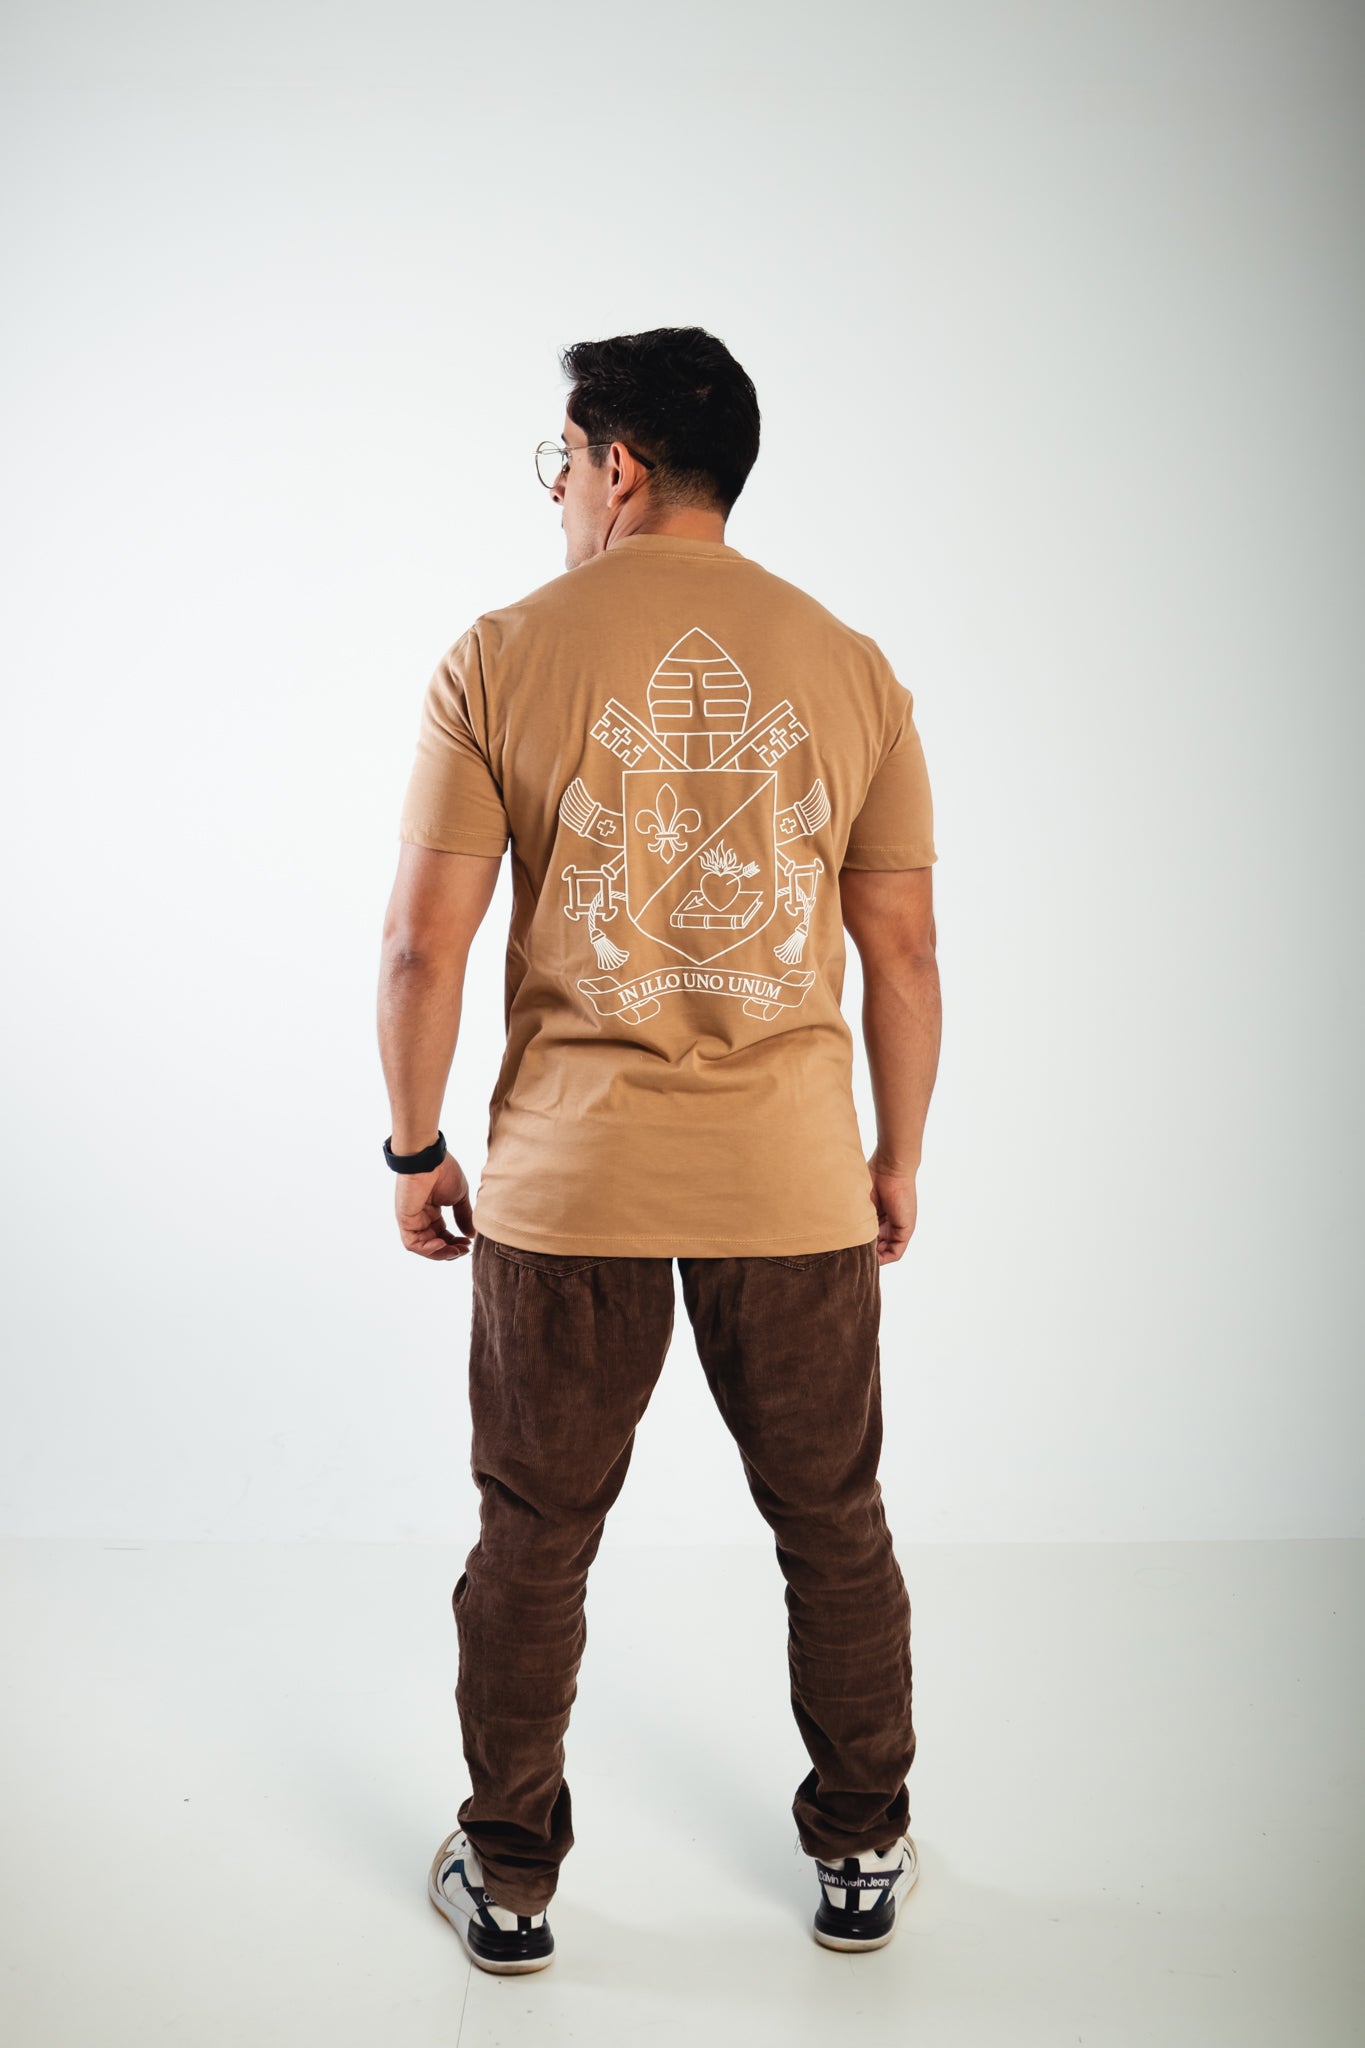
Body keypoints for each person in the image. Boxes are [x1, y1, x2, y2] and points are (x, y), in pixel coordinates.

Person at [376, 326, 942, 1976]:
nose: (556, 492)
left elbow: (419, 947)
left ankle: (510, 1880)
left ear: (616, 466)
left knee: (531, 1536)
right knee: (831, 1523)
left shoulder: (499, 655)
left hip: (570, 1187)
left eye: (561, 461)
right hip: (793, 1178)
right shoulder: (849, 665)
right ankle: (860, 1851)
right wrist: (893, 1155)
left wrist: (414, 1148)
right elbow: (902, 952)